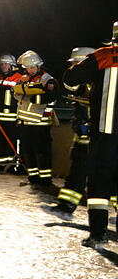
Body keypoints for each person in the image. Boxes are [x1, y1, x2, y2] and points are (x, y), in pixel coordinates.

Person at [63, 21, 118, 248]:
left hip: (104, 133)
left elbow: (69, 80)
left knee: (98, 183)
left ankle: (98, 234)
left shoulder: (104, 56)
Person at [53, 47, 96, 217]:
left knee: (108, 177)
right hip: (85, 137)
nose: (74, 67)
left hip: (100, 139)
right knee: (77, 171)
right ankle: (66, 206)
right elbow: (70, 85)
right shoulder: (85, 84)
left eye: (76, 64)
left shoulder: (98, 83)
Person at [12, 51, 58, 193]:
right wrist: (23, 85)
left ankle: (45, 181)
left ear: (38, 66)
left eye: (32, 68)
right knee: (27, 151)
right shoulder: (26, 79)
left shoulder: (47, 80)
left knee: (42, 152)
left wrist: (29, 95)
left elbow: (49, 98)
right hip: (26, 122)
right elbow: (16, 94)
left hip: (41, 122)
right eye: (27, 68)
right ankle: (33, 179)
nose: (29, 70)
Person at [0, 53, 22, 170]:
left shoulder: (18, 78)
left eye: (5, 64)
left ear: (12, 65)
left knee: (12, 141)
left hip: (12, 116)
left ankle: (12, 166)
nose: (3, 66)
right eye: (1, 64)